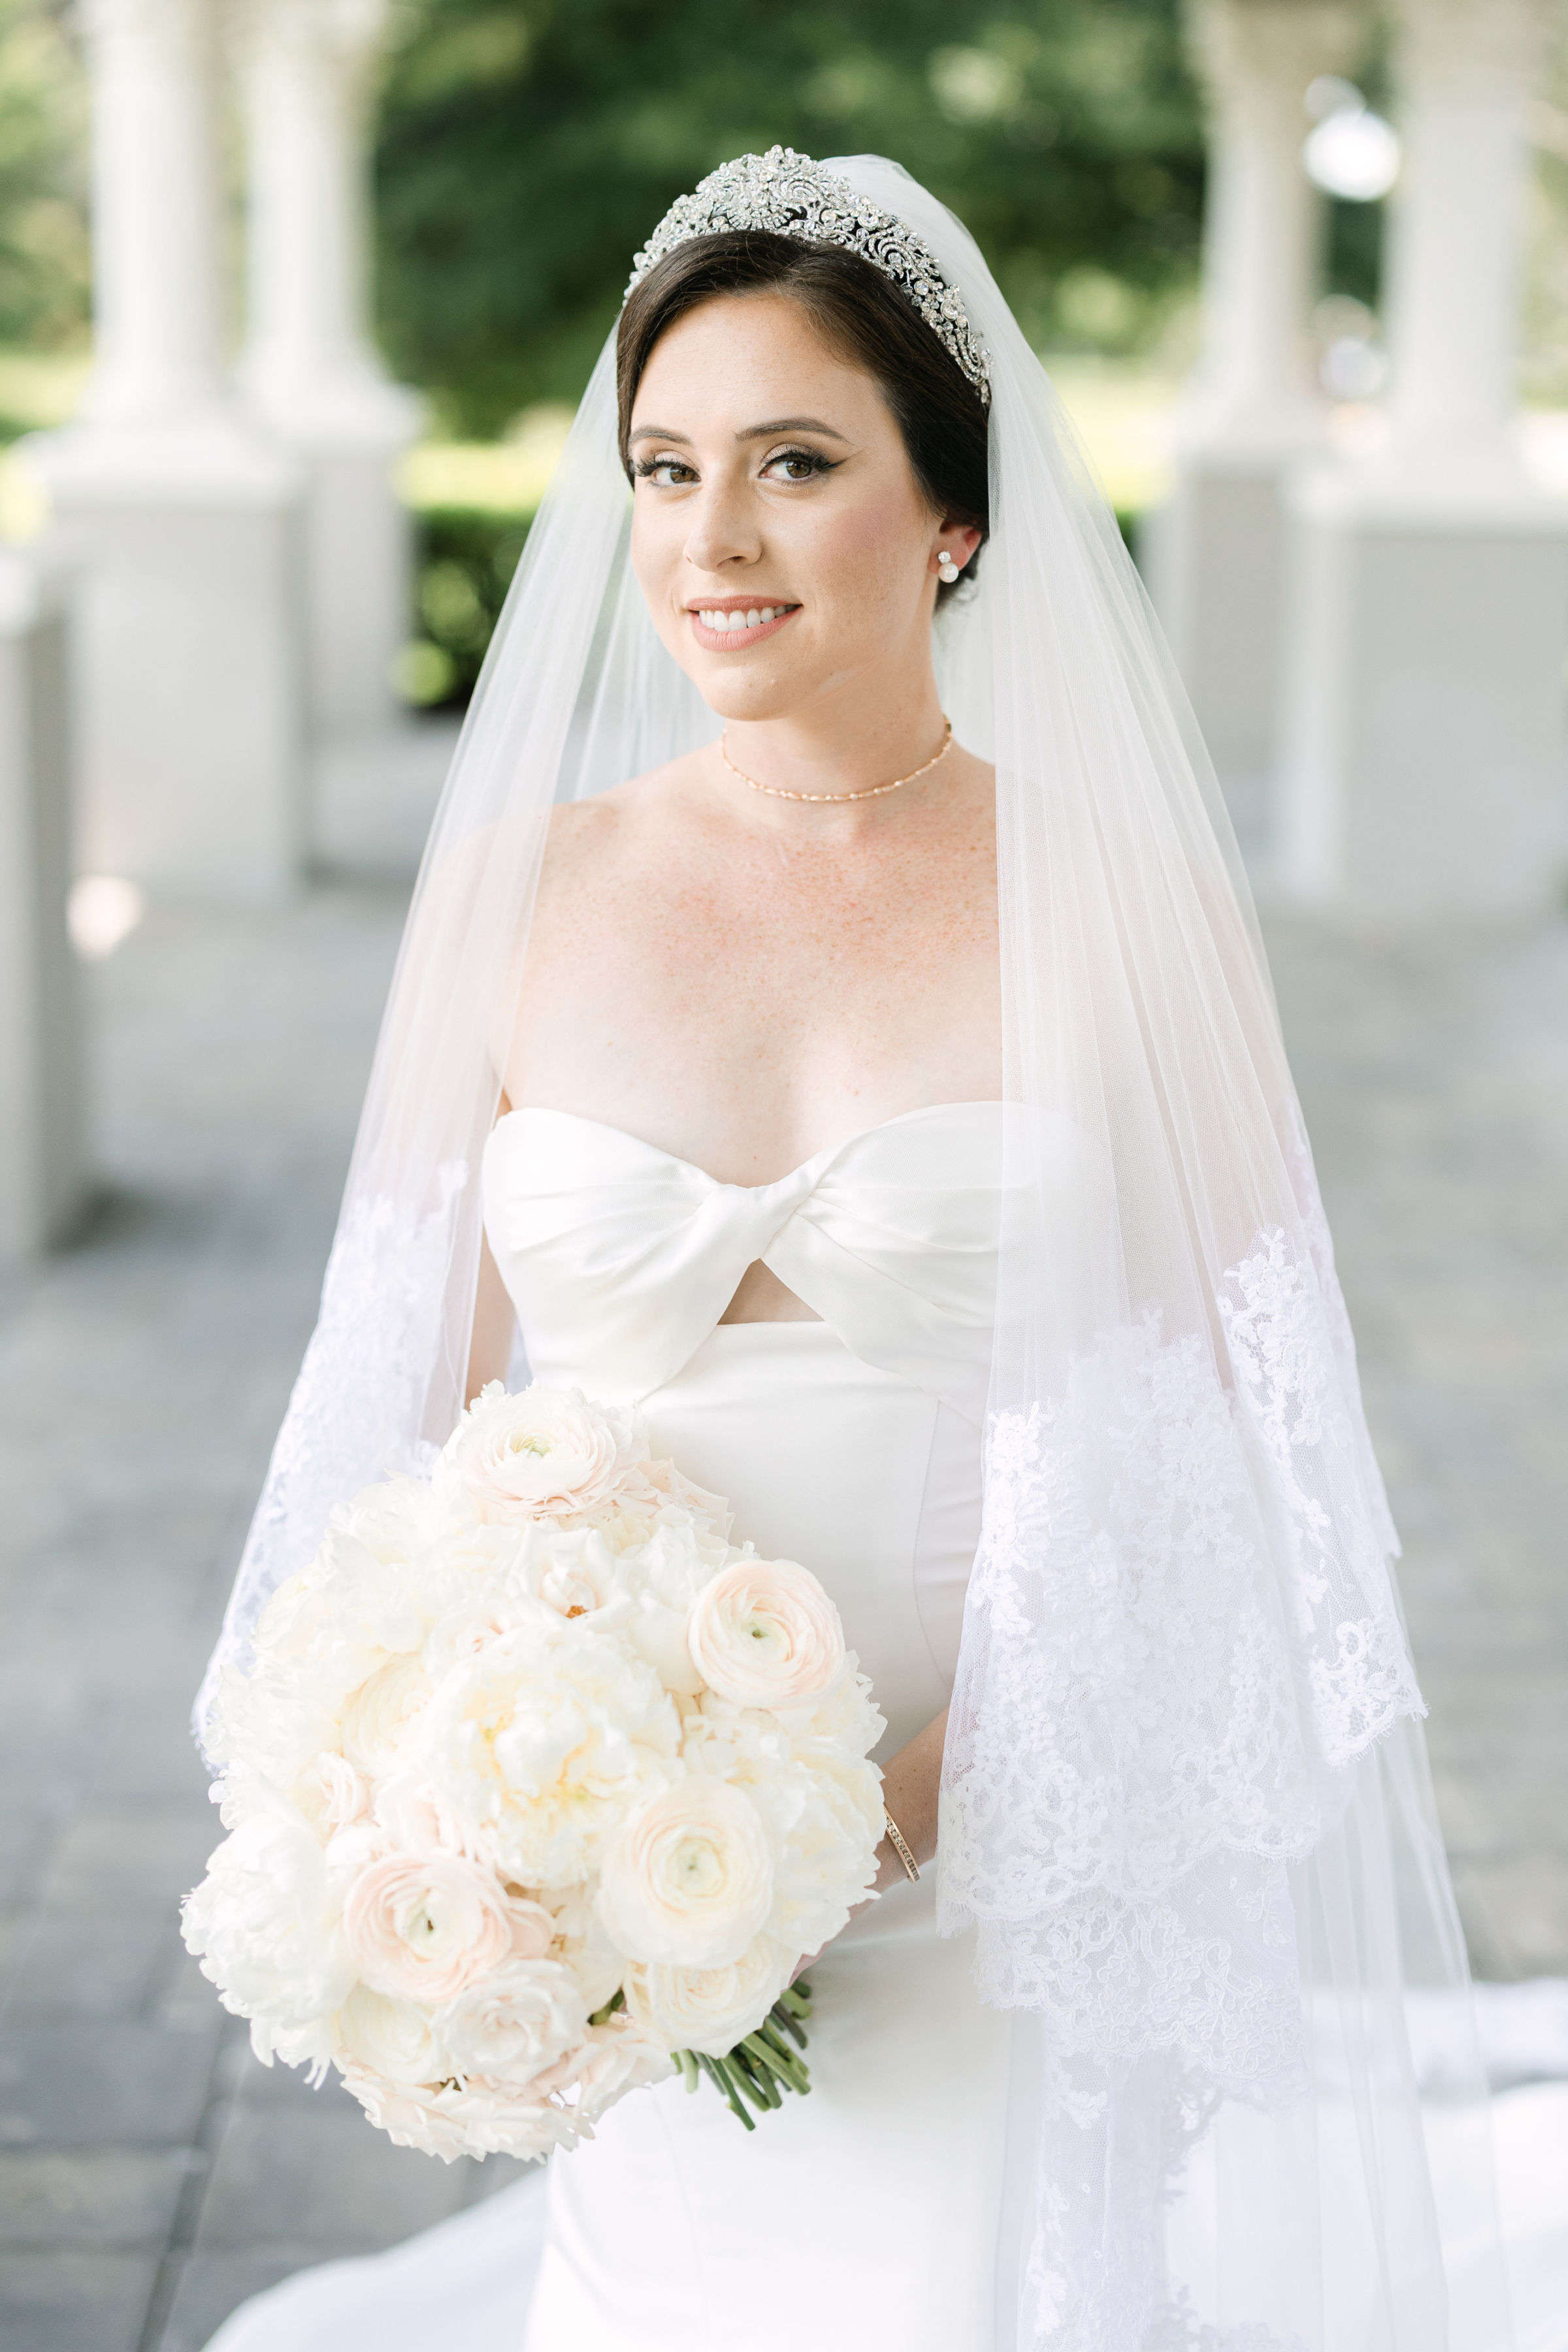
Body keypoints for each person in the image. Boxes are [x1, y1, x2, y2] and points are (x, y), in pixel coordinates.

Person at [199, 152, 1515, 2351]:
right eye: (665, 468)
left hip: (1013, 1838)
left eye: (796, 464)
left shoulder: (1126, 905)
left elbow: (1243, 1460)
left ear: (954, 517)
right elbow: (382, 1424)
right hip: (618, 1866)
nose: (711, 538)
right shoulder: (520, 889)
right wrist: (486, 1821)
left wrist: (883, 1818)